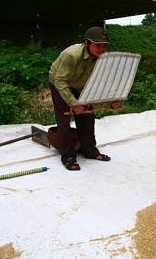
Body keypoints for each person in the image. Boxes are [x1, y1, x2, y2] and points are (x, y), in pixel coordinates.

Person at [48, 26, 121, 171]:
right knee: (64, 121)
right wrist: (73, 103)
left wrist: (113, 99)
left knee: (87, 118)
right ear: (87, 43)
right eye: (98, 45)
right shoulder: (72, 55)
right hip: (60, 83)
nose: (102, 49)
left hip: (81, 86)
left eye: (105, 46)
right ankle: (68, 156)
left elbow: (103, 80)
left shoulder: (102, 58)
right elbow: (60, 81)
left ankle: (90, 151)